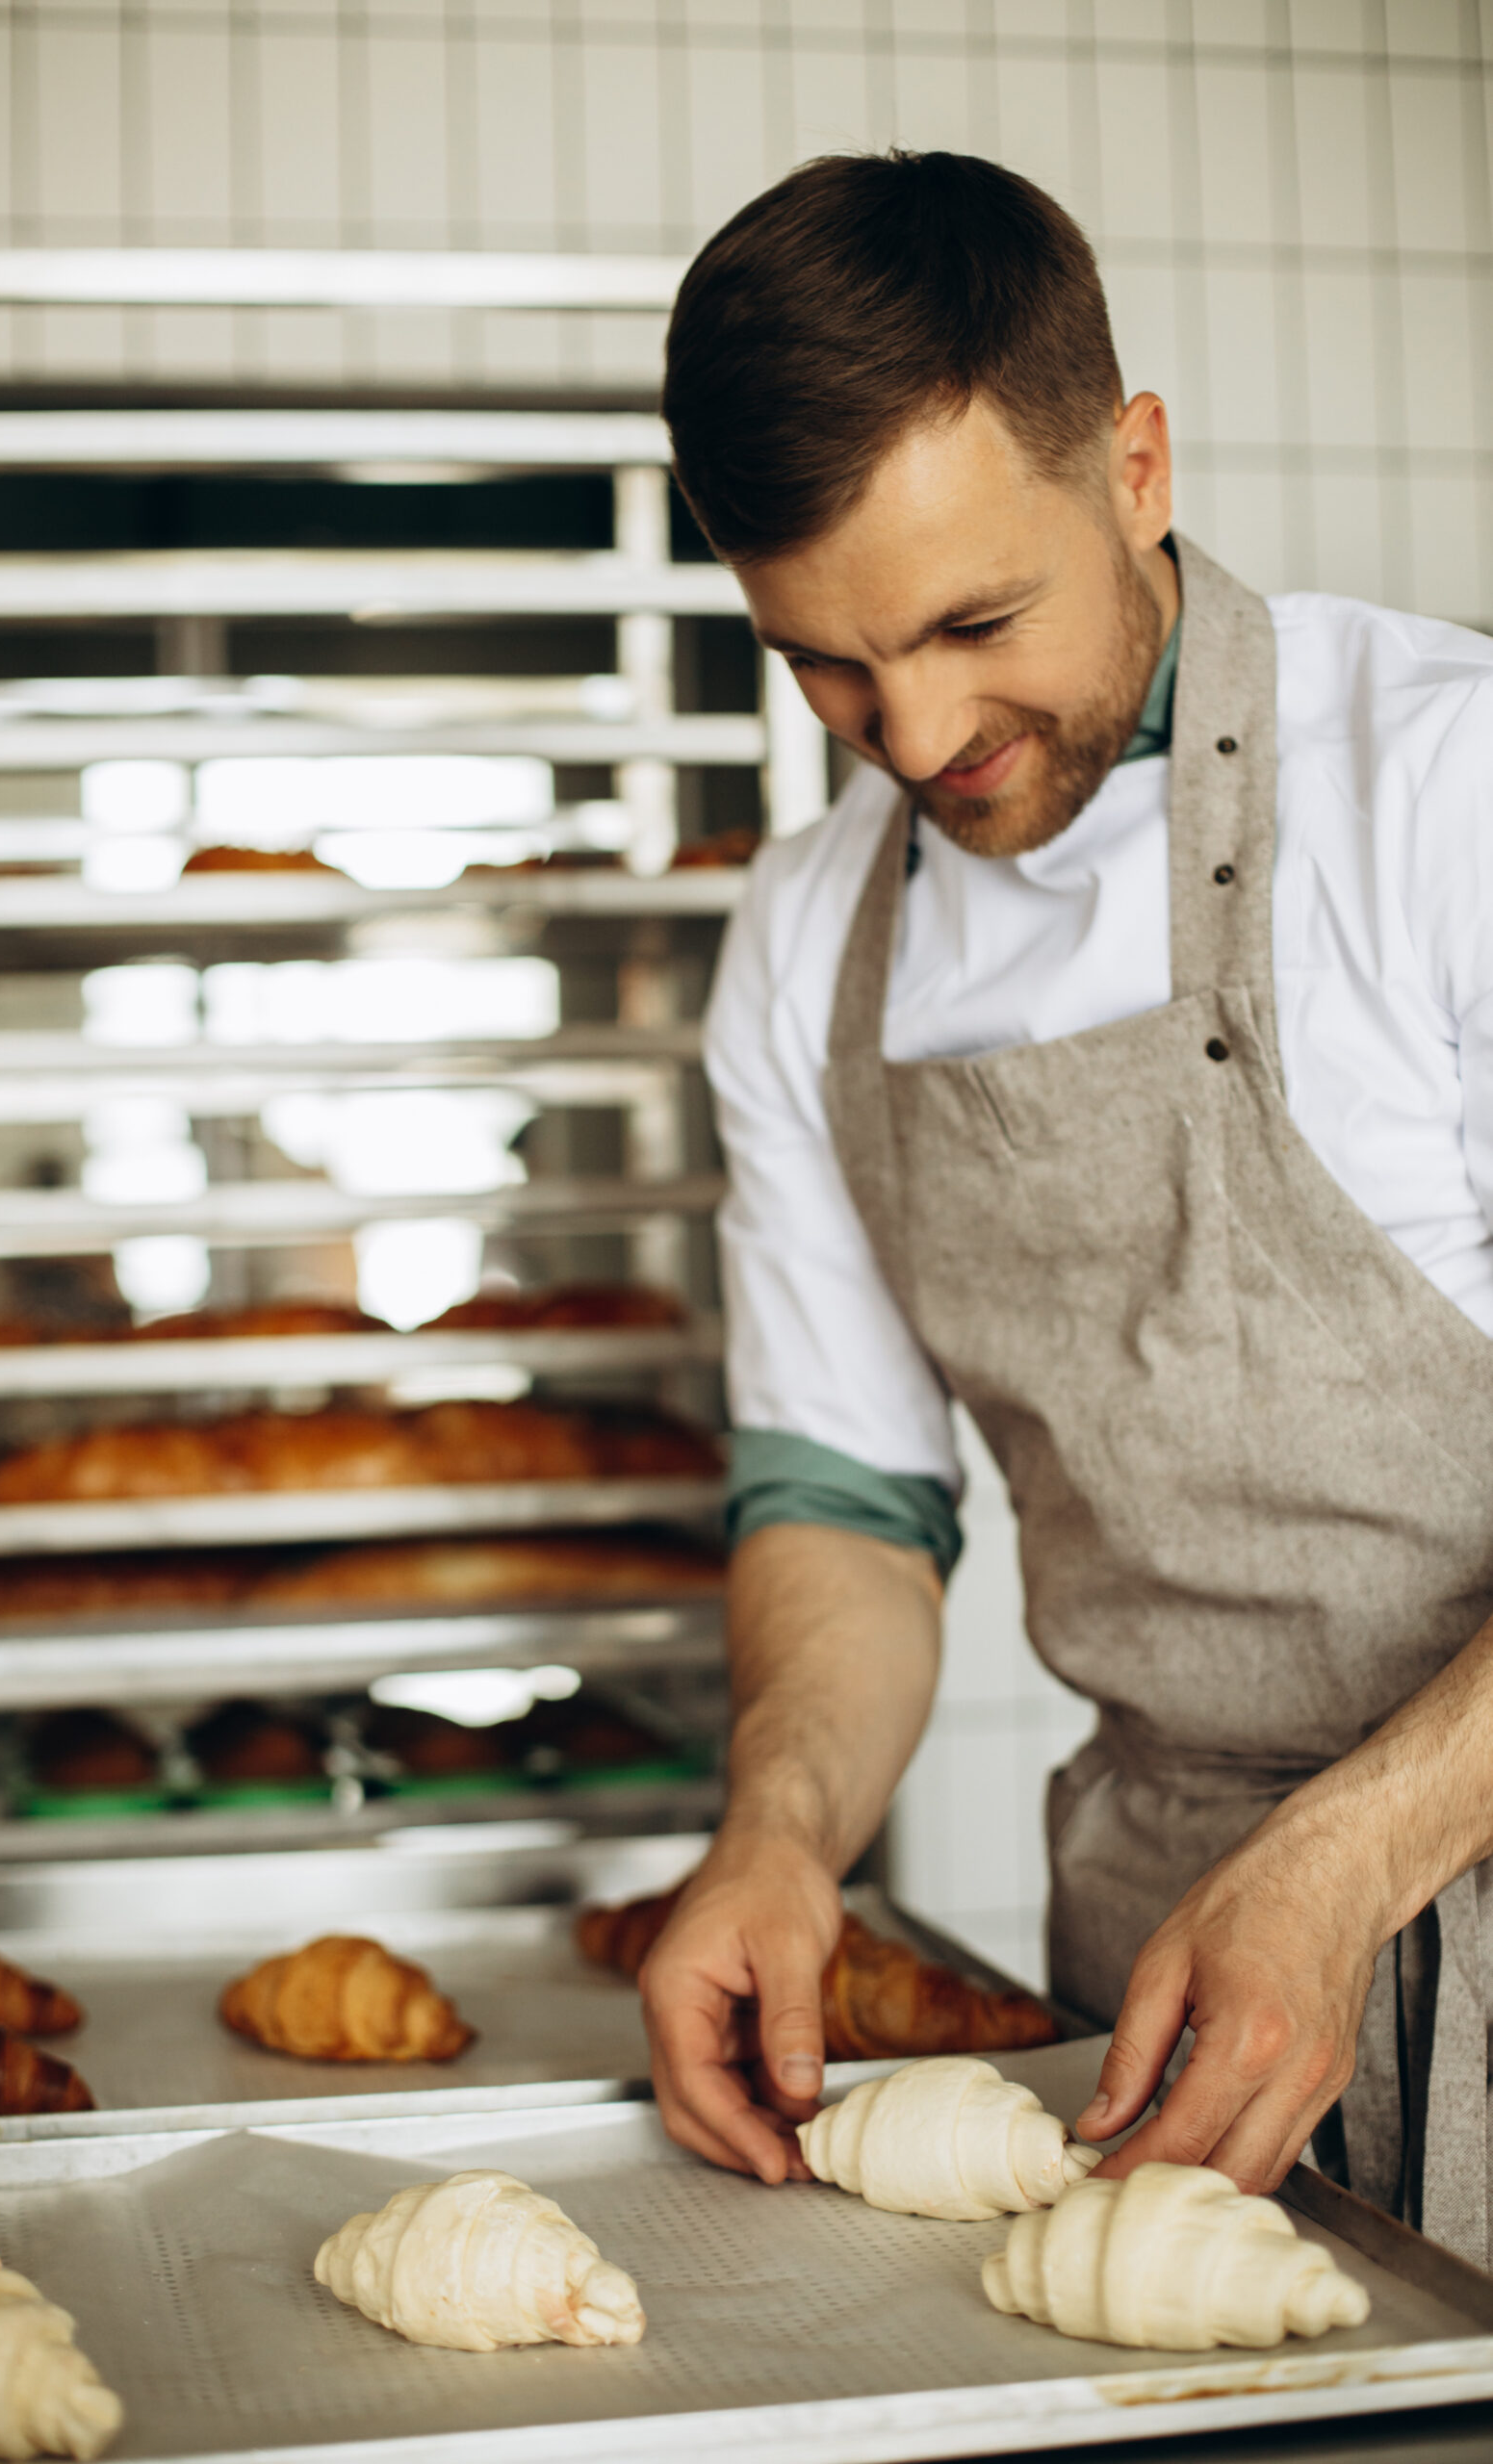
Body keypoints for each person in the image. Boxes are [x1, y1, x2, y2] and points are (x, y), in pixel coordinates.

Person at [640, 147, 1493, 2268]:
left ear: (1130, 465)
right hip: (1154, 1968)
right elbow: (845, 1494)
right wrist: (778, 1831)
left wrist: (1352, 1850)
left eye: (969, 621)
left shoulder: (1441, 795)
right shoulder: (803, 936)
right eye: (823, 665)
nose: (913, 733)